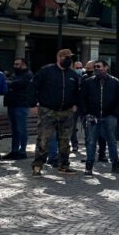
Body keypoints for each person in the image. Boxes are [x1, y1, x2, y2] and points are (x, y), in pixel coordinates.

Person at [28, 48, 82, 176]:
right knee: (43, 139)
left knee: (65, 141)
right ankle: (37, 166)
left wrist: (75, 104)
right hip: (48, 110)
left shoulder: (72, 74)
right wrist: (33, 104)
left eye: (70, 57)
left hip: (66, 111)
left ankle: (64, 165)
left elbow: (77, 92)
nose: (69, 60)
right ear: (59, 57)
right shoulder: (46, 71)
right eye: (66, 57)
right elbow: (32, 87)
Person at [78, 60, 119, 176]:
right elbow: (82, 99)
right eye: (95, 67)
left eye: (99, 67)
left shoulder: (115, 82)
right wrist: (86, 113)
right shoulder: (88, 82)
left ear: (106, 67)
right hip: (92, 116)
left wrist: (114, 114)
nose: (96, 69)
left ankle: (116, 164)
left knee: (112, 142)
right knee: (91, 142)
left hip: (109, 117)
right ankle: (89, 166)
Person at [3, 59, 33, 159]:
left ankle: (22, 151)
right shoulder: (14, 74)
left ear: (23, 65)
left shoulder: (28, 75)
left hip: (21, 104)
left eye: (17, 64)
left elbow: (15, 84)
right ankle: (14, 150)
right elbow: (8, 83)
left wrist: (10, 84)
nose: (15, 66)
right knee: (14, 130)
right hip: (12, 104)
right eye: (14, 64)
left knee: (21, 129)